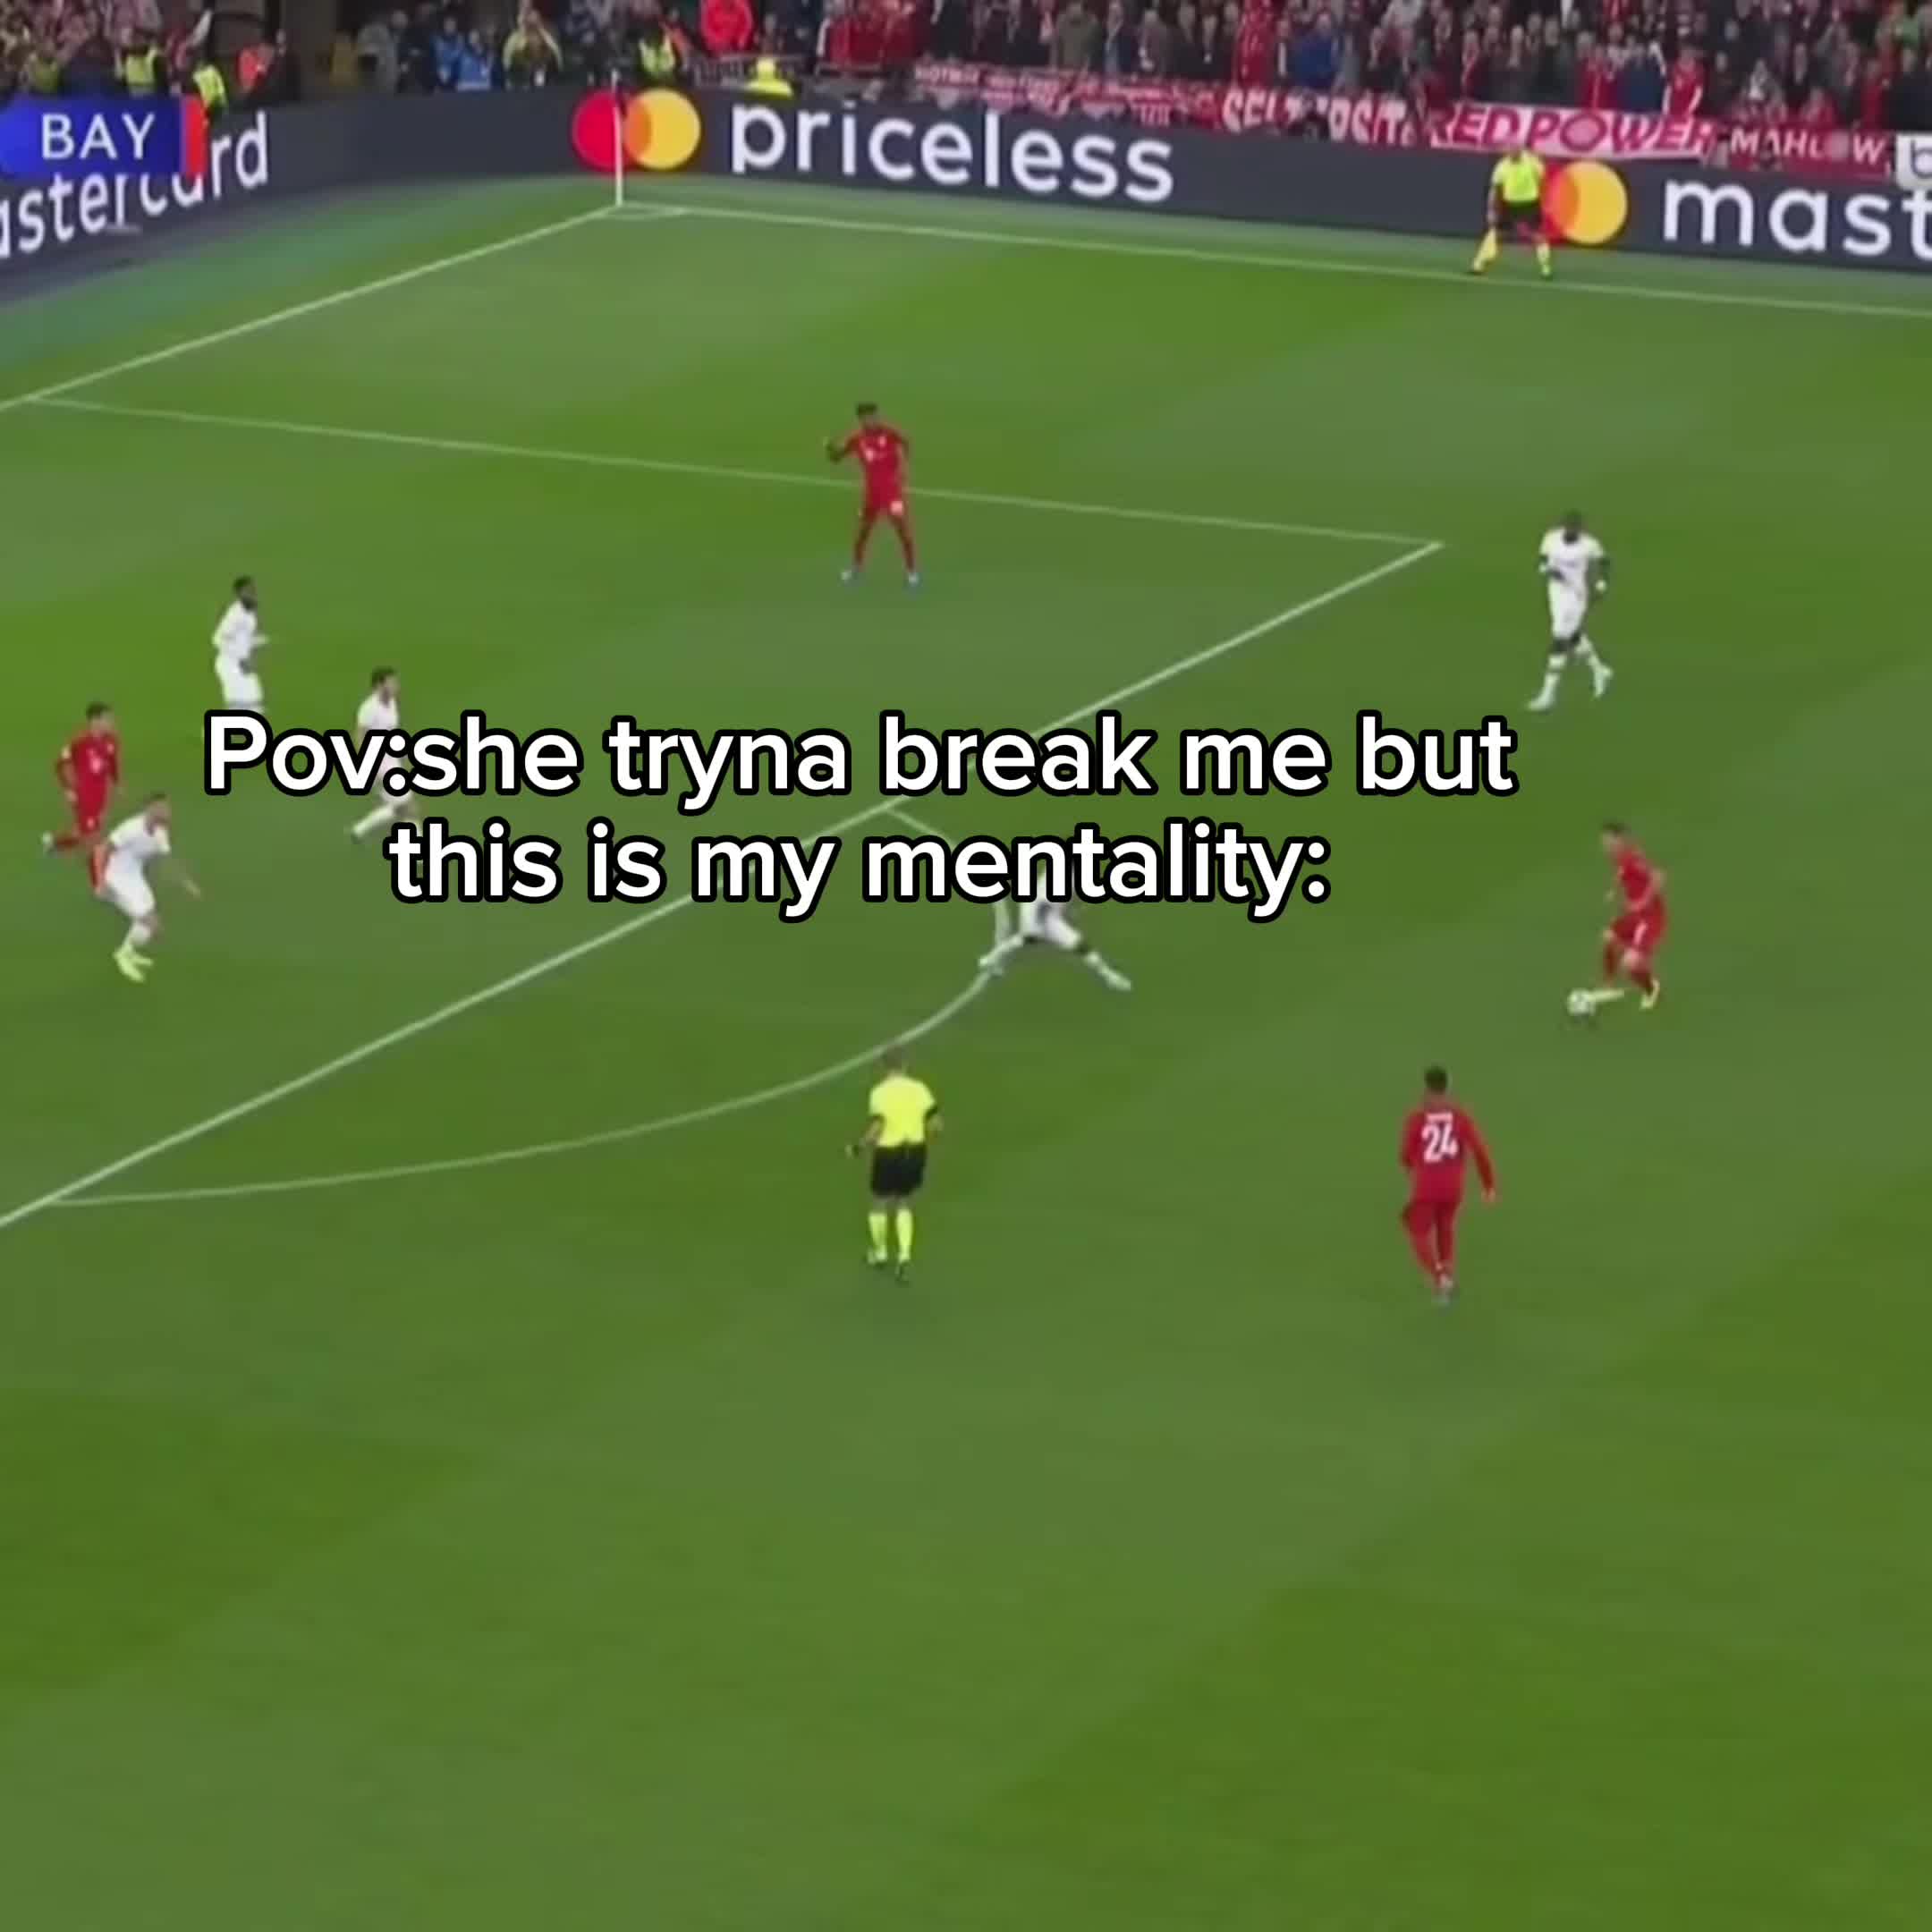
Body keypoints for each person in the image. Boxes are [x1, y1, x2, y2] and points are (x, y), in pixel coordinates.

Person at [1398, 1064, 1496, 1304]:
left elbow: (1405, 1155)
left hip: (1427, 1186)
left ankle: (1440, 1279)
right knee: (1445, 1227)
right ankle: (1448, 1275)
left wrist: (1416, 1168)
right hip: (1454, 1187)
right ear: (1448, 1088)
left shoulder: (1418, 1119)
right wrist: (1488, 1185)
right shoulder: (1460, 1118)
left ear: (1426, 1088)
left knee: (1417, 1231)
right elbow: (1481, 1152)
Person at [848, 1046, 940, 1281]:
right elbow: (935, 1124)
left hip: (889, 1152)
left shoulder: (879, 1093)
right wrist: (925, 1140)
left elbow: (878, 1126)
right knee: (904, 1202)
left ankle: (880, 1254)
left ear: (884, 1066)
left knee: (879, 1201)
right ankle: (904, 1257)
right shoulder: (920, 1089)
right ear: (905, 1064)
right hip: (915, 1149)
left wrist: (859, 1146)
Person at [92, 794, 200, 985]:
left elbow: (166, 861)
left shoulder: (160, 833)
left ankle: (128, 952)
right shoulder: (130, 829)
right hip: (117, 879)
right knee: (152, 925)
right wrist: (101, 882)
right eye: (162, 808)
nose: (167, 812)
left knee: (149, 925)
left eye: (167, 808)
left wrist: (186, 883)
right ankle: (123, 957)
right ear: (149, 809)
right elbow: (101, 850)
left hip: (135, 878)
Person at [1575, 822, 1667, 1013]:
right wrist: (1614, 890)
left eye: (1609, 841)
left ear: (1621, 840)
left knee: (1630, 964)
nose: (1605, 846)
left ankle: (1651, 988)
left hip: (1649, 919)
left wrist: (1643, 901)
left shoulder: (1635, 859)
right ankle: (1608, 987)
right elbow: (1623, 875)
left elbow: (1658, 877)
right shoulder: (1620, 859)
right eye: (1604, 842)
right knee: (1608, 938)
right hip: (1634, 916)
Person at [1527, 510, 1613, 712]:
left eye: (1576, 529)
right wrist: (1547, 570)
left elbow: (1604, 561)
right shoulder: (1551, 538)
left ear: (1580, 530)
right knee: (1573, 637)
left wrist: (1601, 585)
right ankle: (1600, 670)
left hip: (1576, 597)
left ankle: (1548, 694)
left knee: (1559, 641)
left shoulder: (1589, 545)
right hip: (1555, 595)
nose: (1572, 532)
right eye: (1569, 528)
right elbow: (1543, 558)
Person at [828, 402, 919, 588]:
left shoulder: (889, 432)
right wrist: (831, 450)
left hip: (892, 493)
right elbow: (836, 458)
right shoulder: (856, 439)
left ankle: (912, 571)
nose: (874, 420)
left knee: (903, 531)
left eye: (875, 416)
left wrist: (904, 466)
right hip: (871, 495)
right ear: (861, 420)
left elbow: (906, 441)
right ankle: (856, 569)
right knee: (863, 533)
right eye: (869, 418)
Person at [978, 889, 1131, 990]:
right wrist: (1039, 926)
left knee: (1079, 944)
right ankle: (990, 959)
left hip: (1052, 915)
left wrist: (1072, 909)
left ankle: (1109, 976)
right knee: (1029, 938)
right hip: (1037, 908)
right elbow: (1044, 902)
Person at [349, 667, 416, 843]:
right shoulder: (369, 709)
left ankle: (359, 830)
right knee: (408, 807)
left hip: (391, 759)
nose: (396, 686)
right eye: (391, 683)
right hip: (379, 762)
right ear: (379, 685)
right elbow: (359, 736)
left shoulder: (392, 703)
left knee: (399, 807)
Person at [45, 702, 121, 857]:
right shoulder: (79, 741)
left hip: (101, 793)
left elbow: (113, 762)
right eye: (107, 719)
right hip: (84, 794)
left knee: (84, 832)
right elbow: (59, 764)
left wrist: (117, 783)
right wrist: (68, 789)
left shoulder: (112, 740)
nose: (111, 722)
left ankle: (54, 843)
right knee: (91, 834)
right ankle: (97, 863)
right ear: (94, 721)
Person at [1472, 139, 1552, 279]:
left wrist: (1544, 200)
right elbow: (1496, 189)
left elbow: (1542, 180)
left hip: (1529, 204)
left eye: (1515, 149)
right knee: (1496, 234)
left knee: (1537, 235)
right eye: (1510, 149)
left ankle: (1546, 267)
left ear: (1521, 149)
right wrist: (1492, 209)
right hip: (1509, 204)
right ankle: (1479, 265)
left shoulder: (1533, 162)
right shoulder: (1502, 166)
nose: (1513, 152)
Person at [213, 576, 268, 716]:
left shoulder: (250, 611)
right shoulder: (235, 615)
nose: (253, 594)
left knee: (254, 703)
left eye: (253, 590)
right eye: (248, 591)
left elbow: (244, 636)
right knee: (239, 706)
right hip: (230, 664)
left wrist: (258, 640)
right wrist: (240, 658)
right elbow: (218, 639)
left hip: (242, 665)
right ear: (240, 594)